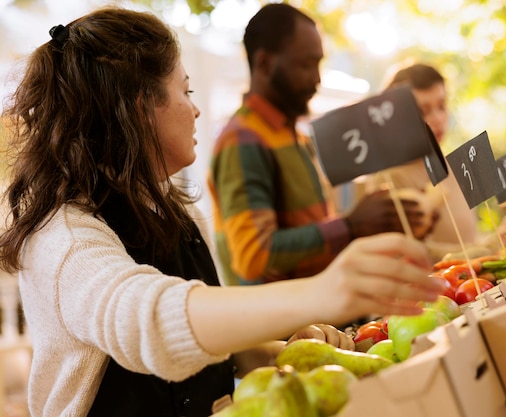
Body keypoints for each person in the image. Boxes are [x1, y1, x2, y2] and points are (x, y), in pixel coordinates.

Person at [0, 7, 445, 417]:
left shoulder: (171, 207)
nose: (195, 109)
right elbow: (147, 324)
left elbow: (201, 345)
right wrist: (327, 291)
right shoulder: (64, 235)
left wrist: (275, 349)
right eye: (185, 90)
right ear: (140, 106)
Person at [208, 4, 435, 286]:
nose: (316, 78)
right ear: (264, 63)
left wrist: (380, 226)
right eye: (306, 64)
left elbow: (314, 238)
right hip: (286, 328)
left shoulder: (296, 136)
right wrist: (351, 225)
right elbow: (255, 255)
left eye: (319, 63)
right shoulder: (242, 139)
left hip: (320, 318)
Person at [365, 63, 479, 260]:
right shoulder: (388, 179)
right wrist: (480, 253)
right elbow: (409, 252)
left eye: (442, 106)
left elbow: (471, 239)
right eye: (423, 111)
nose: (437, 118)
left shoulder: (456, 166)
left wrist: (503, 237)